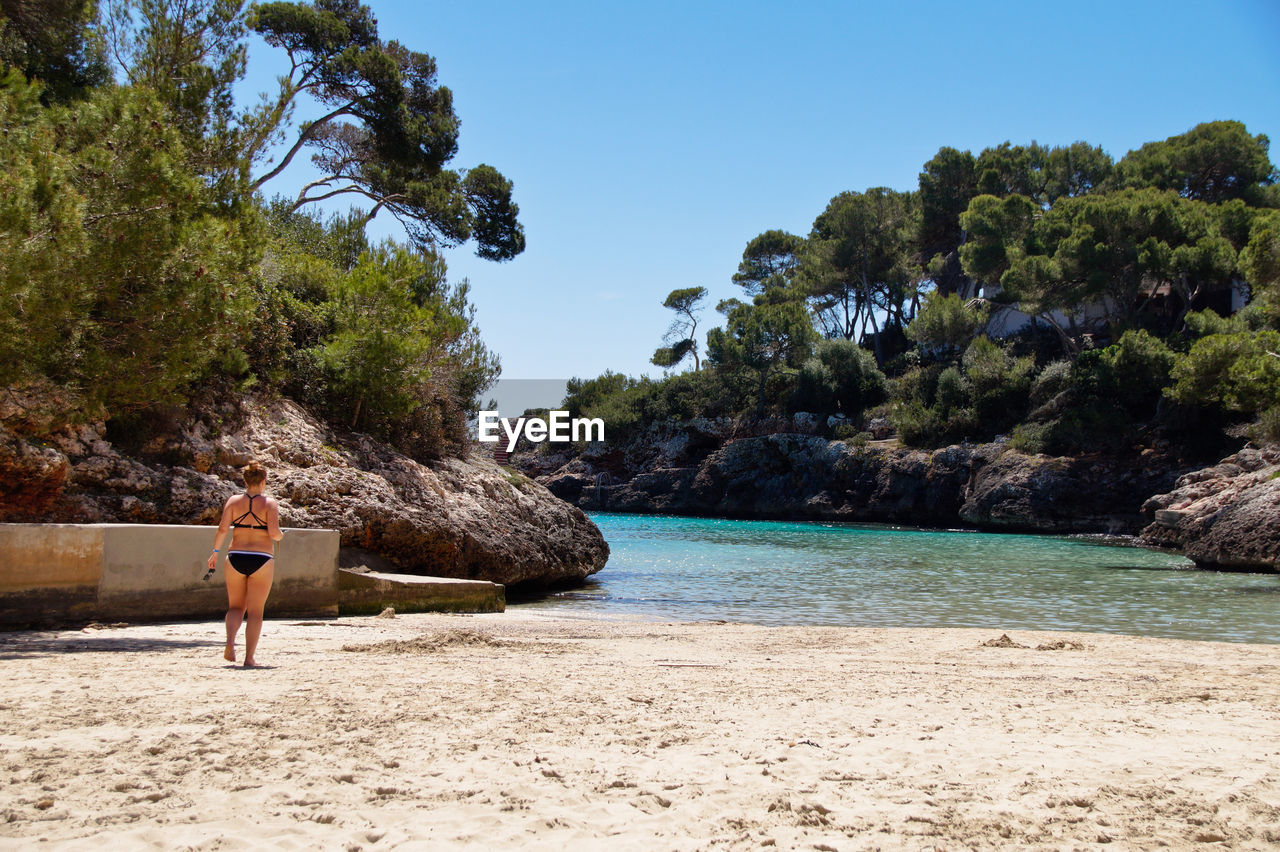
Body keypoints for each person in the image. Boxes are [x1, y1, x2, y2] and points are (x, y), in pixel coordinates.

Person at [207, 461, 284, 667]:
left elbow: (222, 530)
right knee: (256, 611)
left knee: (235, 607)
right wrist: (281, 536)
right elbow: (274, 533)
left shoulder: (233, 501)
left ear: (245, 480)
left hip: (235, 557)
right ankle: (249, 658)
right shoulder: (270, 504)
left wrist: (215, 553)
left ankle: (230, 643)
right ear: (264, 481)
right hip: (261, 558)